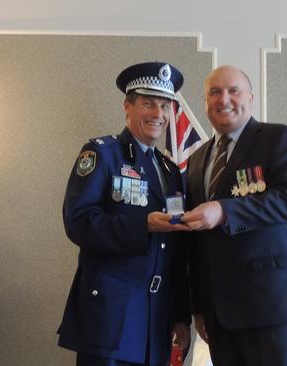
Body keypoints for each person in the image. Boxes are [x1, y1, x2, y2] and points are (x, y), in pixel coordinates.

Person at [58, 61, 191, 366]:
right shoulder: (102, 154)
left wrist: (180, 315)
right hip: (110, 315)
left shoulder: (171, 170)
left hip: (156, 318)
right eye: (148, 103)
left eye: (164, 106)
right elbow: (78, 222)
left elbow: (176, 251)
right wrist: (142, 224)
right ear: (127, 106)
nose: (158, 114)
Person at [181, 65, 287, 366]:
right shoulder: (197, 160)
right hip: (220, 316)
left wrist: (225, 211)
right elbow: (198, 245)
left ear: (250, 98)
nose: (223, 98)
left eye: (233, 90)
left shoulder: (280, 138)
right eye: (214, 92)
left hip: (272, 307)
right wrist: (199, 306)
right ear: (205, 103)